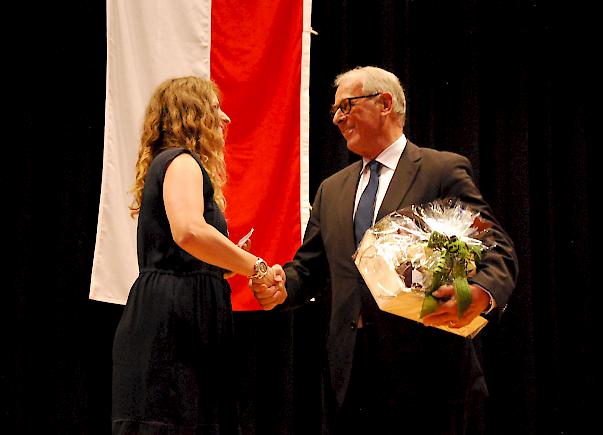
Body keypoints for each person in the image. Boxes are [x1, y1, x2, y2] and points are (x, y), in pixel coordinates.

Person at [251, 66, 518, 434]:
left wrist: (478, 292)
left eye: (346, 106)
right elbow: (309, 271)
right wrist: (282, 286)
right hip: (350, 374)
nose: (338, 118)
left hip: (429, 373)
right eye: (334, 111)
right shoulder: (332, 190)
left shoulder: (440, 169)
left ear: (385, 103)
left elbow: (495, 244)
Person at [111, 76, 280, 434]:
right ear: (193, 115)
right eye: (217, 109)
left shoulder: (168, 163)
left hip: (176, 317)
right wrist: (256, 266)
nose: (226, 120)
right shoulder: (182, 161)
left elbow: (185, 249)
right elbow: (188, 231)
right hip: (174, 326)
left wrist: (228, 262)